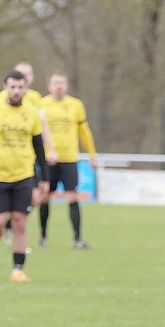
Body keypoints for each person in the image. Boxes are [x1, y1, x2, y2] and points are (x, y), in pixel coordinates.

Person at [0, 70, 50, 282]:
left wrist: (43, 178)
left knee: (20, 222)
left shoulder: (32, 113)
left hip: (24, 176)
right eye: (13, 87)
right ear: (5, 87)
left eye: (20, 87)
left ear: (26, 88)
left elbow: (39, 148)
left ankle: (18, 269)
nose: (16, 91)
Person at [0, 62, 57, 240]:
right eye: (22, 73)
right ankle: (11, 225)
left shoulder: (36, 98)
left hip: (30, 156)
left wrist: (51, 149)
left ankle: (12, 222)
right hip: (10, 158)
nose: (25, 77)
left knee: (36, 198)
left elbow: (43, 125)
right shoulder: (2, 97)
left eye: (28, 74)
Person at [39, 71, 98, 248]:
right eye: (55, 83)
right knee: (44, 198)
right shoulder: (41, 105)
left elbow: (84, 132)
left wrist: (92, 154)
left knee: (73, 197)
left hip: (70, 159)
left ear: (66, 85)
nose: (58, 86)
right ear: (49, 86)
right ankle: (43, 237)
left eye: (61, 83)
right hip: (48, 160)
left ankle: (77, 239)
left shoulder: (75, 105)